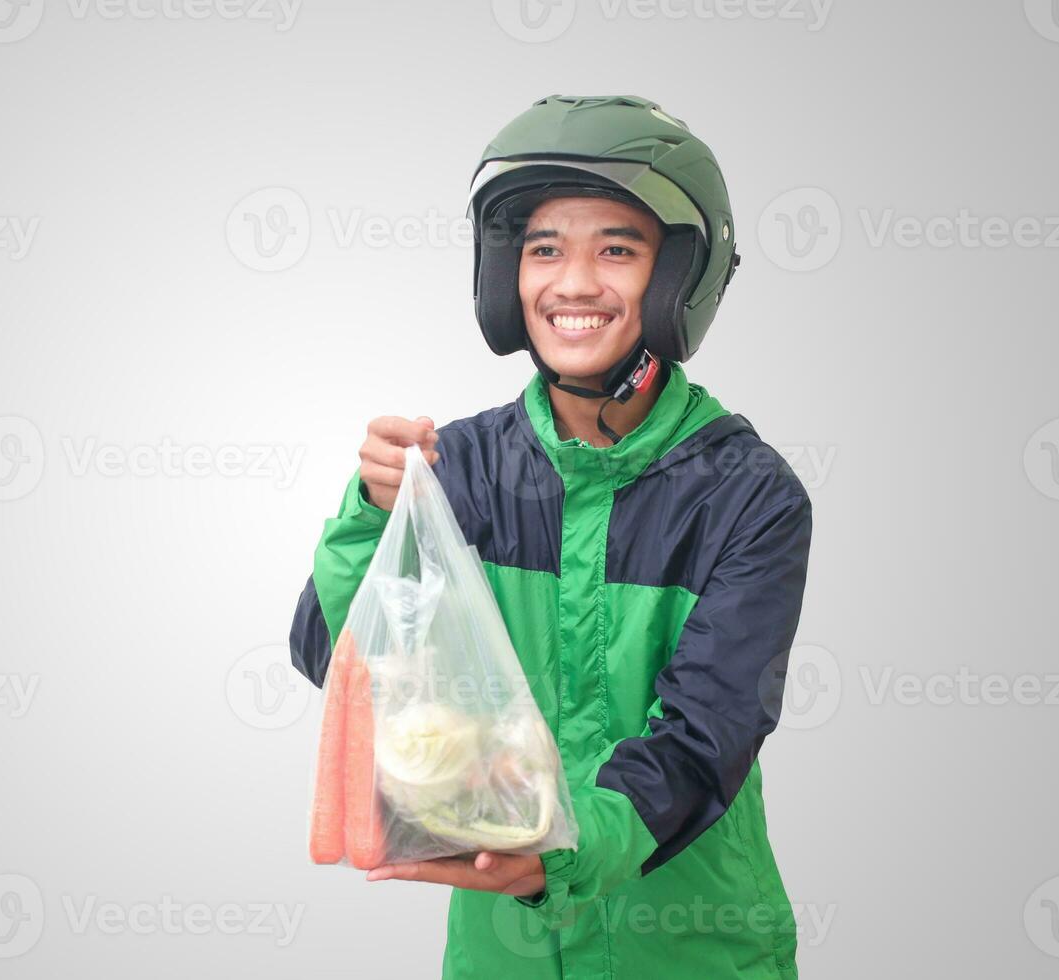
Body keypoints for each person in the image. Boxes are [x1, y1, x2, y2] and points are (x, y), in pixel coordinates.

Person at [289, 95, 812, 978]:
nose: (572, 283)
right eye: (543, 249)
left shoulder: (747, 495)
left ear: (680, 275)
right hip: (505, 954)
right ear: (508, 276)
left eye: (616, 248)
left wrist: (558, 853)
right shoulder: (461, 468)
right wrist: (374, 513)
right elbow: (337, 658)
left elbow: (705, 735)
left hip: (693, 950)